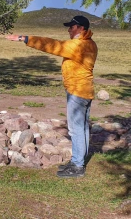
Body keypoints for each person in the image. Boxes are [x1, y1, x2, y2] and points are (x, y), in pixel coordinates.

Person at [5, 15, 98, 178]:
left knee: (76, 129)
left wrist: (25, 38)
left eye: (72, 27)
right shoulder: (89, 44)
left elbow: (54, 46)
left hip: (77, 91)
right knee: (82, 128)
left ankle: (77, 166)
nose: (69, 30)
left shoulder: (79, 45)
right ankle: (78, 161)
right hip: (85, 91)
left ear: (81, 28)